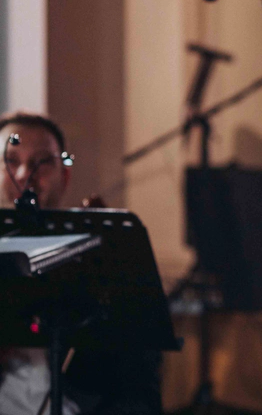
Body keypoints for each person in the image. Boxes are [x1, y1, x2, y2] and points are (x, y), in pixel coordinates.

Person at [0, 111, 163, 415]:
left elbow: (139, 387)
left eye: (42, 162)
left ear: (64, 177)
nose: (24, 174)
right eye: (10, 160)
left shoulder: (104, 258)